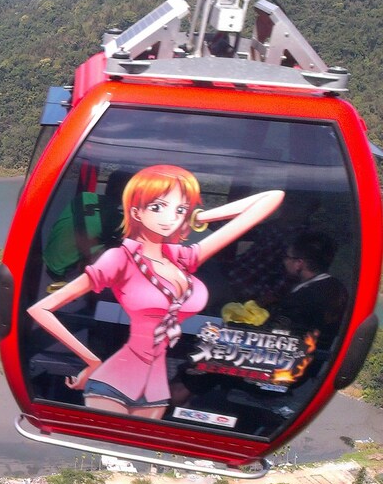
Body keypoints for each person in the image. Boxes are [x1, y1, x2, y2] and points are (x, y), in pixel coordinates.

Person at [27, 164, 283, 419]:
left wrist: (199, 217)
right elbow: (41, 308)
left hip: (158, 388)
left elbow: (271, 198)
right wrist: (92, 361)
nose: (170, 217)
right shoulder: (119, 258)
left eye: (179, 209)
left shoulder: (185, 257)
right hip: (114, 382)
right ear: (136, 211)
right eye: (157, 206)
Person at [270, 230, 348, 350]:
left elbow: (278, 339)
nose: (284, 261)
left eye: (287, 257)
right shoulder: (338, 288)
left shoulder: (300, 298)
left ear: (299, 264)